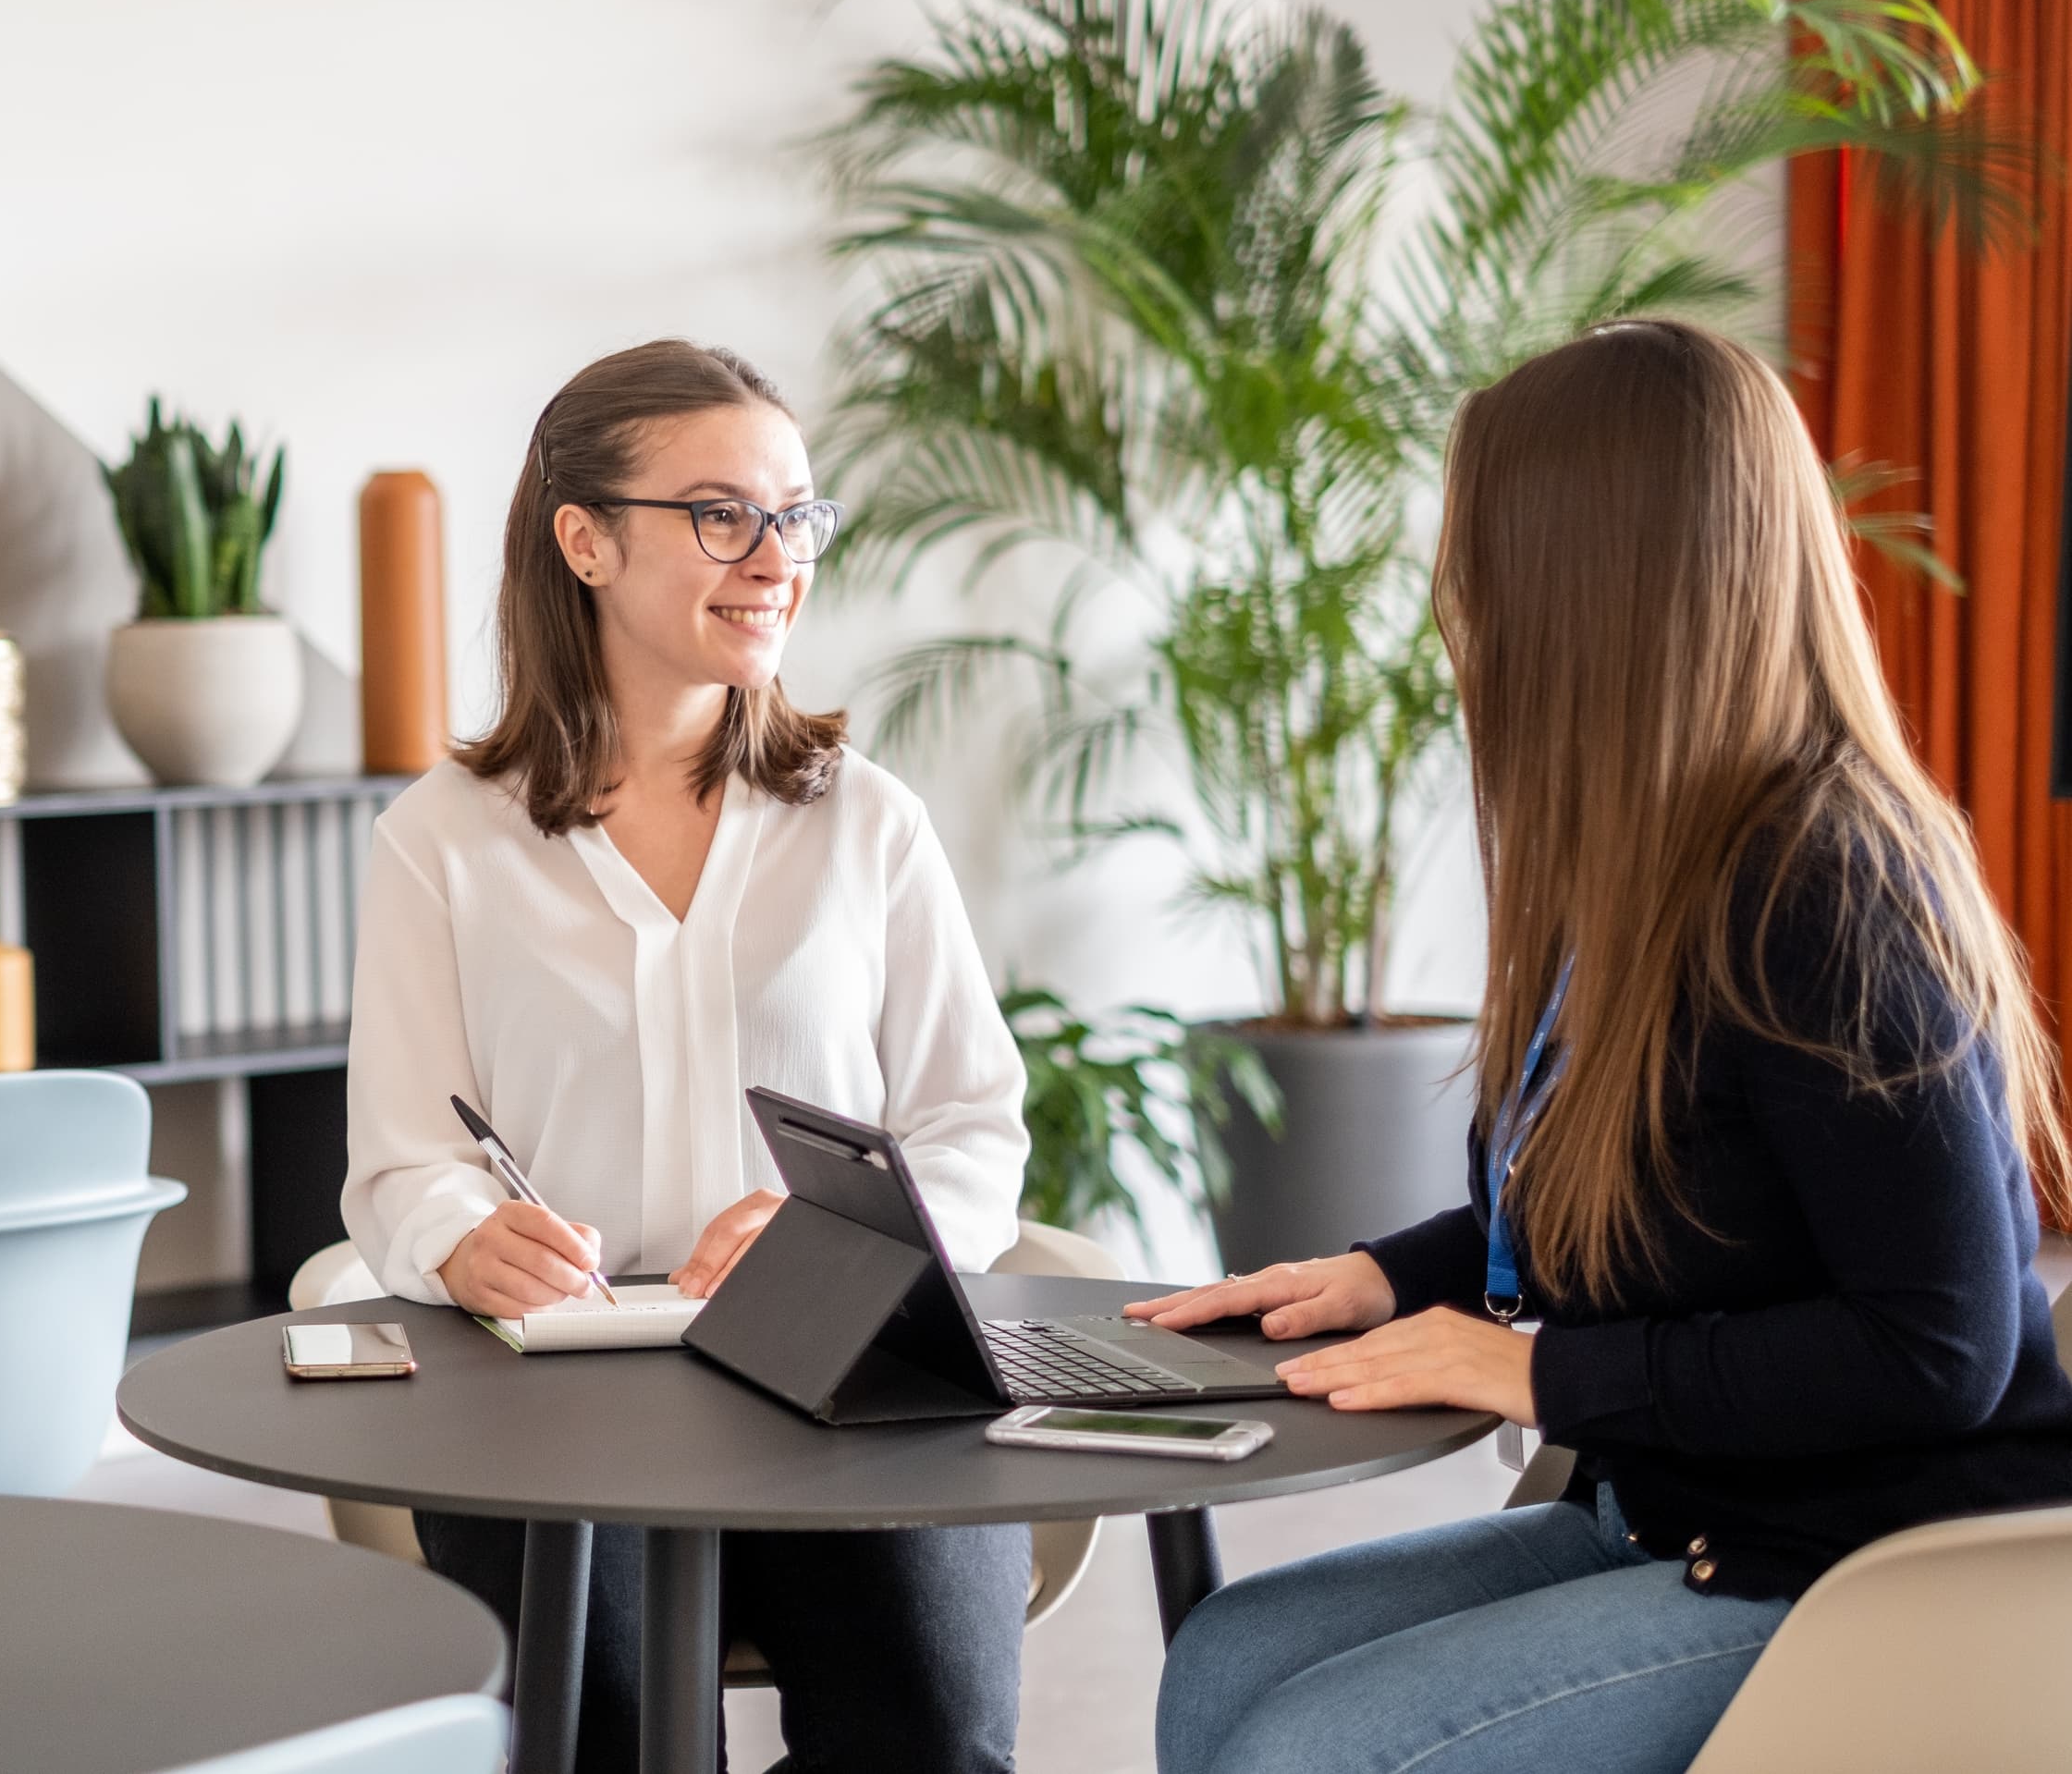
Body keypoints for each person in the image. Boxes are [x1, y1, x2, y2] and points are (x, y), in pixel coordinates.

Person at [1136, 320, 2072, 1774]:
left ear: (1596, 588)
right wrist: (1401, 1271)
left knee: (1312, 1749)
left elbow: (1940, 1345)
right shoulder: (1645, 860)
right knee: (1223, 1665)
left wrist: (1543, 1377)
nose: (1460, 605)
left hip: (1860, 1566)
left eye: (1484, 557)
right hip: (1677, 1507)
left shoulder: (1828, 883)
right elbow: (1665, 1184)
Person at [343, 340, 1034, 1774]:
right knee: (596, 1740)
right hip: (552, 1399)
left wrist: (844, 1242)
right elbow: (404, 1159)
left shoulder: (869, 825)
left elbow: (976, 1128)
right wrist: (467, 1244)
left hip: (839, 1376)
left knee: (939, 1736)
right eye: (723, 514)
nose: (773, 557)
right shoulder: (441, 842)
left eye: (795, 517)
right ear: (583, 540)